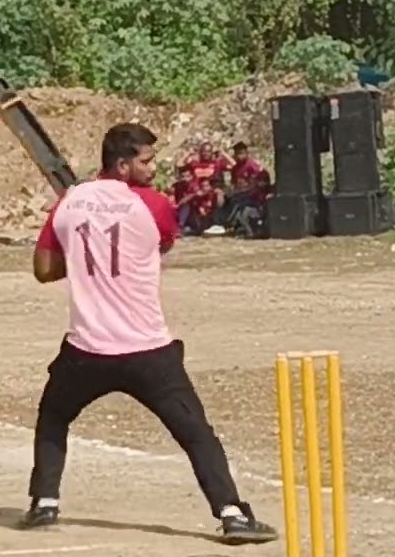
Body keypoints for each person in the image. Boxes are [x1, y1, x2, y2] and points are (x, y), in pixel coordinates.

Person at [20, 122, 277, 545]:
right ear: (122, 165)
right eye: (146, 161)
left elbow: (44, 269)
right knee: (195, 432)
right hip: (148, 350)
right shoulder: (156, 205)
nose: (153, 168)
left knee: (54, 417)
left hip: (87, 350)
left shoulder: (70, 201)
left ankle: (44, 503)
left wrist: (83, 259)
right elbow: (160, 244)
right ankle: (232, 514)